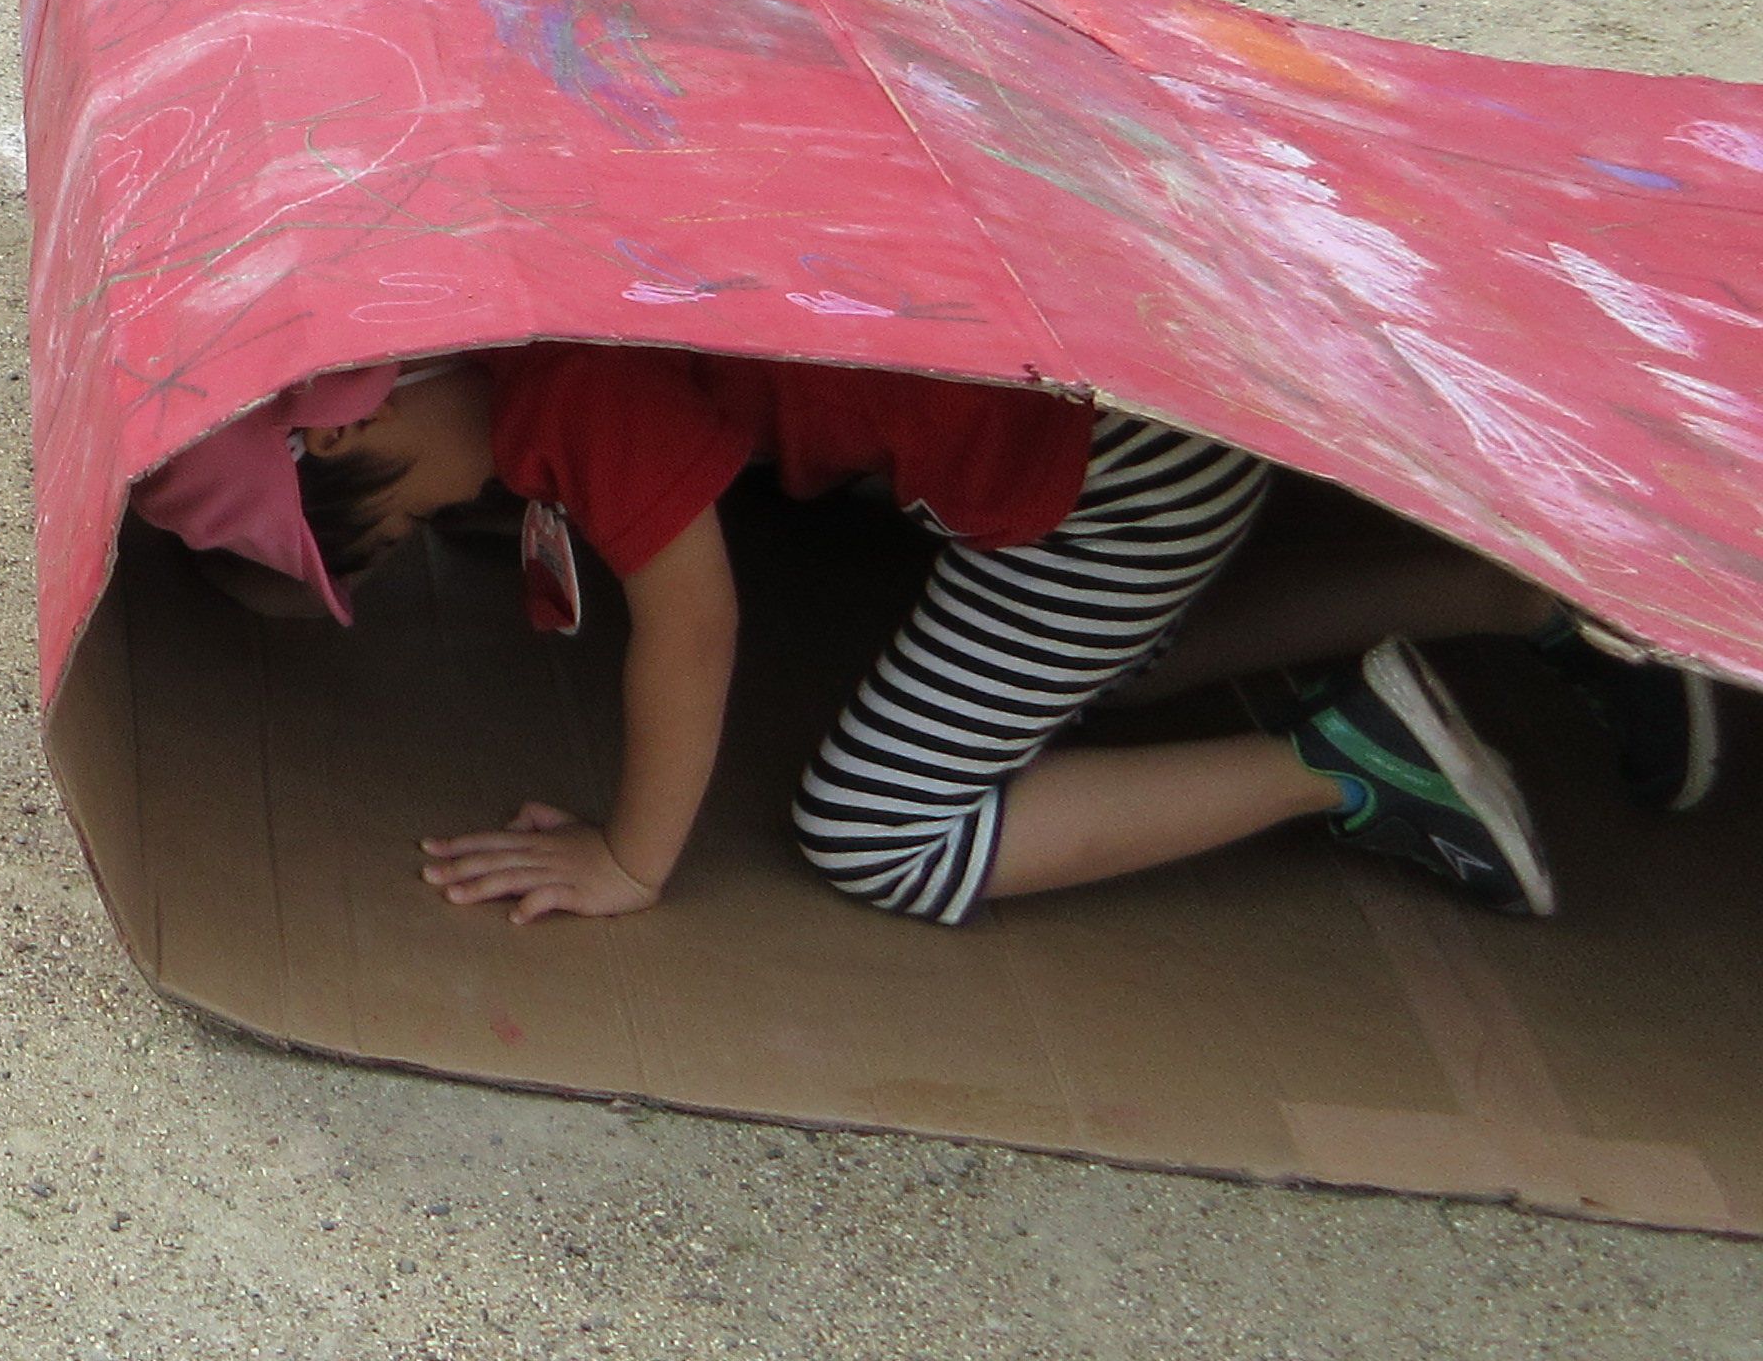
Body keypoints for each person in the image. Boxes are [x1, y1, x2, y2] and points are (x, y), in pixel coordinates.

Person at [141, 346, 1720, 932]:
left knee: (883, 834)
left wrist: (630, 859)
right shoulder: (519, 335)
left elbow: (692, 626)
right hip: (1120, 424)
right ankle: (1522, 603)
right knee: (1104, 670)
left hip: (1099, 496)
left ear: (362, 405)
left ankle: (1342, 766)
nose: (422, 535)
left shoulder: (574, 400)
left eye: (396, 512)